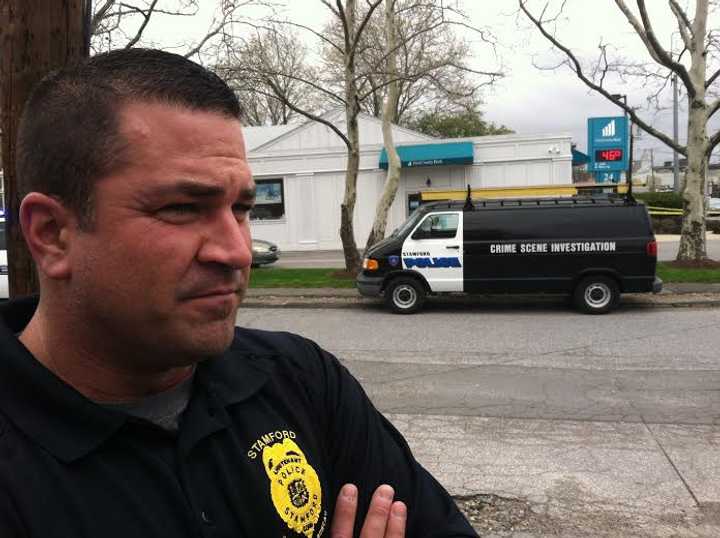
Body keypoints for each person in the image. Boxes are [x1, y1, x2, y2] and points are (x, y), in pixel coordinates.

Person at [0, 48, 476, 538]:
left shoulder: (300, 382)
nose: (236, 251)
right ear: (53, 233)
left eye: (243, 208)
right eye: (183, 207)